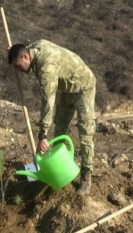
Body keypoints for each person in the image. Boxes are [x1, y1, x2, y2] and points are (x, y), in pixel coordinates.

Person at [8, 40, 96, 195]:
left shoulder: (46, 68)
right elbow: (28, 47)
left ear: (25, 57)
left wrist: (42, 135)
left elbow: (48, 102)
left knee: (85, 134)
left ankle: (86, 176)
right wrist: (13, 51)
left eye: (17, 65)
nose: (17, 70)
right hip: (68, 88)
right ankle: (60, 169)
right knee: (60, 131)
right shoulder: (34, 49)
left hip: (83, 87)